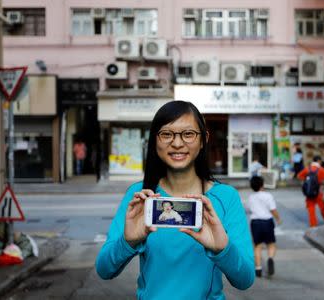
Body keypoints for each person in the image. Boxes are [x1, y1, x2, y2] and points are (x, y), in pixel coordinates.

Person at [96, 101, 255, 299]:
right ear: (154, 140)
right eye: (166, 134)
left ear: (204, 139)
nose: (177, 143)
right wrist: (127, 242)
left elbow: (245, 279)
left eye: (188, 134)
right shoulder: (139, 196)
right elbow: (104, 269)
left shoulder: (226, 197)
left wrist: (223, 249)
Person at [246, 176, 281, 278]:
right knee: (271, 244)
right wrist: (278, 219)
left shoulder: (251, 197)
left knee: (257, 246)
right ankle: (270, 258)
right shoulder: (268, 196)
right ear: (262, 184)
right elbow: (273, 209)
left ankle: (258, 268)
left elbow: (248, 210)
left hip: (255, 222)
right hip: (267, 222)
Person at [297, 155, 324, 227]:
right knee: (323, 208)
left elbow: (299, 176)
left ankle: (313, 224)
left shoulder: (307, 169)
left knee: (311, 209)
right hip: (319, 192)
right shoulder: (321, 170)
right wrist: (322, 184)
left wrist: (307, 181)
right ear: (319, 161)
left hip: (309, 192)